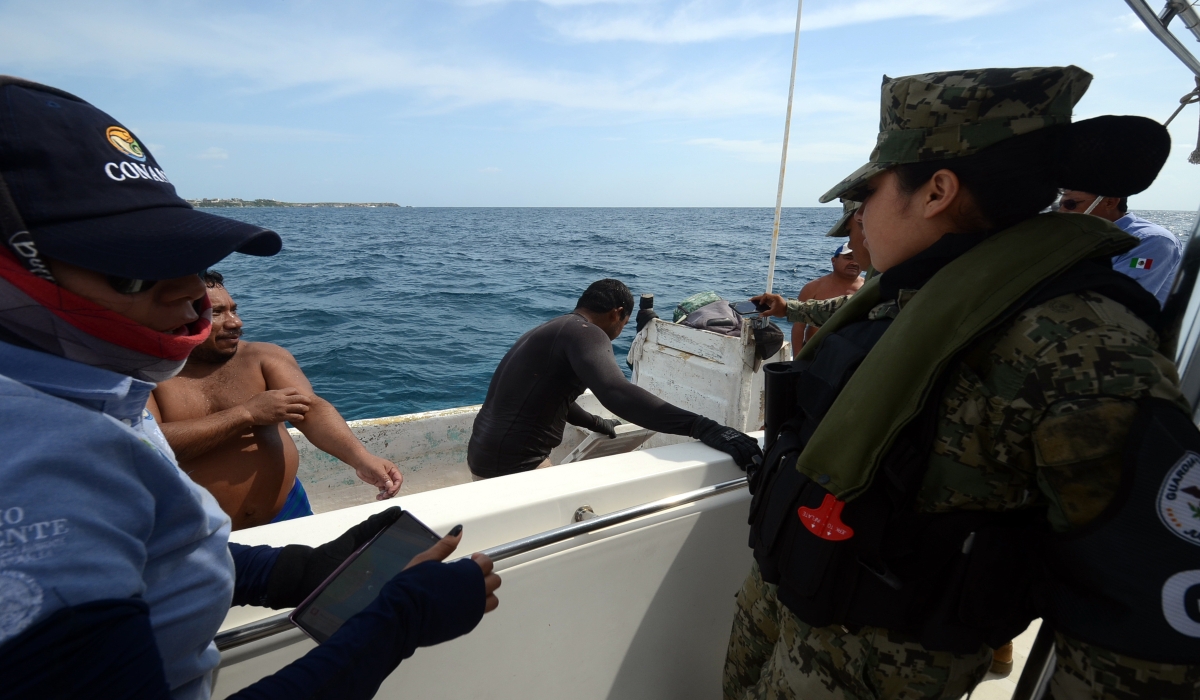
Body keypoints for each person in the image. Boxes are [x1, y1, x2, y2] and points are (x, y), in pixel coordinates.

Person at [0, 76, 500, 700]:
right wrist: (397, 622)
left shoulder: (98, 388)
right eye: (130, 267)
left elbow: (145, 553)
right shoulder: (35, 466)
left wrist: (290, 571)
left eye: (181, 253)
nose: (190, 294)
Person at [730, 66, 1200, 699]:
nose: (860, 215)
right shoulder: (913, 295)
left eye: (870, 191)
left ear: (937, 191)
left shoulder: (1077, 340)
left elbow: (1146, 612)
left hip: (877, 666)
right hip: (789, 595)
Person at [149, 269, 402, 530]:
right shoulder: (146, 375)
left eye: (234, 310)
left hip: (287, 512)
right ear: (178, 315)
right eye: (216, 313)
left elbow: (310, 409)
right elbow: (148, 443)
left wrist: (361, 458)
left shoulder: (264, 358)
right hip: (193, 533)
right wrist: (246, 414)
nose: (236, 322)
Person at [468, 278, 762, 479]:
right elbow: (615, 391)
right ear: (617, 314)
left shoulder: (553, 329)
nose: (620, 330)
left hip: (485, 453)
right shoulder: (587, 333)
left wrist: (598, 423)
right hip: (515, 466)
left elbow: (557, 398)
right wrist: (702, 426)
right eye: (624, 323)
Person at [1058, 189, 1183, 306]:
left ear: (1109, 202)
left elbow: (1115, 301)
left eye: (1070, 204)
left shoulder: (1153, 240)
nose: (1061, 212)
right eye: (1059, 205)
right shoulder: (1082, 240)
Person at [791, 243, 863, 351]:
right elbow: (798, 327)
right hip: (816, 353)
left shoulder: (867, 287)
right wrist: (797, 359)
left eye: (857, 258)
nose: (854, 262)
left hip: (854, 354)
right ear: (834, 260)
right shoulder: (813, 287)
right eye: (848, 258)